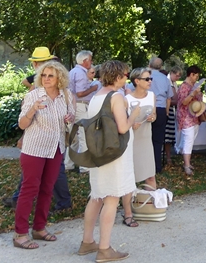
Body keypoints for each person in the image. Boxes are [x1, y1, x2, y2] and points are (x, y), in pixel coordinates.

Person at [79, 59, 143, 262]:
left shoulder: (97, 96)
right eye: (125, 75)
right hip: (115, 154)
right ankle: (104, 249)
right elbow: (123, 128)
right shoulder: (116, 96)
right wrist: (134, 114)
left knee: (97, 196)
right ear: (117, 76)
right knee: (111, 199)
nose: (127, 78)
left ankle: (87, 242)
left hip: (99, 152)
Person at [12, 59, 75, 250]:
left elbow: (71, 119)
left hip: (56, 148)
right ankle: (20, 233)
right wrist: (33, 109)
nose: (46, 79)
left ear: (59, 78)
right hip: (35, 149)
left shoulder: (66, 95)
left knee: (47, 189)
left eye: (51, 76)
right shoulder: (34, 95)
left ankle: (39, 228)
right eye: (44, 75)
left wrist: (70, 118)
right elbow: (22, 124)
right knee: (29, 189)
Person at [123, 68, 158, 227]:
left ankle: (150, 208)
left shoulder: (151, 96)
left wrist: (152, 117)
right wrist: (131, 123)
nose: (150, 81)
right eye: (146, 79)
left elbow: (154, 115)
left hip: (146, 140)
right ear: (137, 81)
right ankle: (128, 214)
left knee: (150, 175)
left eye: (150, 79)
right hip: (131, 141)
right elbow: (122, 122)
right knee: (129, 179)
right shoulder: (127, 99)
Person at [67, 50, 98, 172]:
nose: (91, 62)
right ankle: (85, 166)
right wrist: (93, 88)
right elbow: (80, 93)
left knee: (73, 136)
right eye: (90, 60)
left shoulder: (73, 71)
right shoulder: (81, 73)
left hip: (73, 105)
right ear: (85, 61)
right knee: (84, 135)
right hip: (81, 105)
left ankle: (68, 164)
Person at [176, 65, 205, 176]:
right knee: (188, 139)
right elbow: (183, 102)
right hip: (186, 116)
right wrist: (193, 93)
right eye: (196, 76)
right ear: (191, 74)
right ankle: (186, 165)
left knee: (191, 139)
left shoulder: (193, 86)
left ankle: (187, 161)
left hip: (193, 116)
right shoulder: (184, 87)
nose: (197, 78)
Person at [148, 57, 173, 174]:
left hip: (147, 108)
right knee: (158, 140)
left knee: (146, 138)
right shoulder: (165, 79)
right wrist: (167, 112)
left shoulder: (146, 76)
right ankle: (157, 166)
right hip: (161, 108)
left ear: (149, 65)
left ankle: (146, 166)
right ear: (161, 67)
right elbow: (169, 98)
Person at [164, 65, 183, 168]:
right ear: (171, 73)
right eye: (177, 75)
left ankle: (168, 156)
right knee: (167, 135)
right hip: (168, 109)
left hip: (172, 110)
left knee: (170, 135)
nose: (178, 78)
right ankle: (167, 157)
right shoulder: (167, 82)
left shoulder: (174, 83)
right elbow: (171, 99)